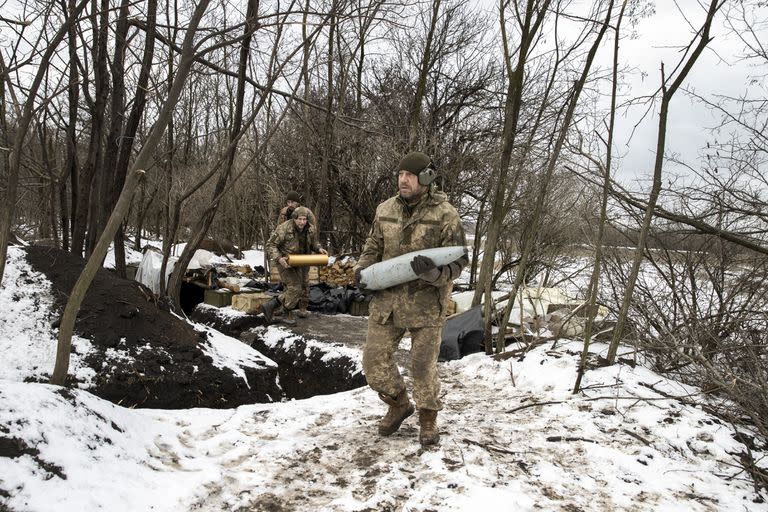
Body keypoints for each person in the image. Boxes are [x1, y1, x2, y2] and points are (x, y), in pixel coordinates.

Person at [353, 151, 467, 447]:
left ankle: (428, 419)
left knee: (422, 367)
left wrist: (433, 275)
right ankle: (400, 404)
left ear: (426, 179)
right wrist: (362, 270)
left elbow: (457, 262)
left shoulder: (446, 215)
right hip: (387, 302)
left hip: (426, 305)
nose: (403, 179)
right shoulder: (385, 209)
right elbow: (372, 246)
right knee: (373, 361)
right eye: (401, 174)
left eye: (410, 175)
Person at [263, 206, 327, 324]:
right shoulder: (284, 228)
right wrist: (279, 258)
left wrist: (319, 249)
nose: (302, 222)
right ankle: (285, 311)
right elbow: (270, 244)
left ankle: (272, 306)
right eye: (299, 219)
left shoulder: (311, 229)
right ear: (294, 219)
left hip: (301, 261)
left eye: (304, 219)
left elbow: (314, 243)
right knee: (294, 287)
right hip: (285, 261)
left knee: (302, 287)